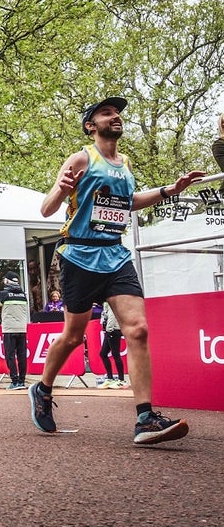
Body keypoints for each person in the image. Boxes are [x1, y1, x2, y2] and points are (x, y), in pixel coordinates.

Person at [30, 95, 204, 444]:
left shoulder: (124, 163)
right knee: (74, 335)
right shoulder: (83, 157)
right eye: (107, 113)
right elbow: (47, 209)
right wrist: (62, 191)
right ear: (91, 126)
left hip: (115, 255)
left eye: (118, 113)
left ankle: (145, 419)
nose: (116, 117)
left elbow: (130, 202)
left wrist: (170, 189)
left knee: (137, 329)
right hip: (79, 255)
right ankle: (43, 388)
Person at [0, 272, 29, 390]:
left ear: (7, 281)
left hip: (9, 329)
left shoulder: (3, 294)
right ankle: (22, 381)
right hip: (22, 328)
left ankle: (14, 381)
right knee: (22, 355)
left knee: (10, 355)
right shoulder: (23, 295)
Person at [98, 302, 127, 388]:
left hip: (113, 330)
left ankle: (121, 380)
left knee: (115, 354)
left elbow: (112, 316)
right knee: (103, 354)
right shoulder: (105, 304)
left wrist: (109, 329)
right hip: (109, 331)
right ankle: (110, 378)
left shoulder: (111, 302)